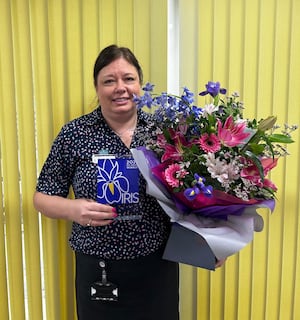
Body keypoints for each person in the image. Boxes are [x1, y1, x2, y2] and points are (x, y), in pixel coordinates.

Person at [33, 44, 180, 320]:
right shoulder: (75, 133)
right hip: (99, 270)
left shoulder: (163, 133)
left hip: (157, 265)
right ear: (97, 87)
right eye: (109, 81)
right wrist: (73, 209)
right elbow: (42, 197)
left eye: (128, 78)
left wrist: (209, 243)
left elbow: (190, 197)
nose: (120, 87)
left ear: (140, 84)